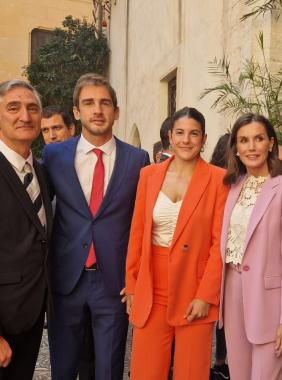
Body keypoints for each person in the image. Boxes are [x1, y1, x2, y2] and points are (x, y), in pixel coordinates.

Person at [42, 73, 150, 380]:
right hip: (66, 280)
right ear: (76, 112)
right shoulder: (54, 156)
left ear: (116, 111)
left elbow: (141, 222)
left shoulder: (137, 159)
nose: (97, 110)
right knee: (63, 368)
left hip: (113, 283)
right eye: (89, 103)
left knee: (108, 368)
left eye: (105, 103)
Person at [124, 106, 228, 380]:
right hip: (152, 286)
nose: (186, 140)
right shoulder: (149, 175)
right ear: (170, 136)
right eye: (180, 133)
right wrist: (132, 285)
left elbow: (219, 243)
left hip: (194, 287)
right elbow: (137, 232)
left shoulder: (218, 179)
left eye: (194, 134)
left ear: (204, 139)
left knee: (191, 372)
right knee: (145, 371)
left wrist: (206, 295)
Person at [218, 113, 282, 380]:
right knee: (238, 374)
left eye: (258, 139)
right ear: (236, 149)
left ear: (270, 144)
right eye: (244, 140)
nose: (251, 147)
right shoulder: (232, 186)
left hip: (269, 301)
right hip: (232, 289)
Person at [0, 80, 52, 380]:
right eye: (14, 108)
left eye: (33, 108)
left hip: (31, 316)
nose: (25, 116)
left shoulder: (40, 171)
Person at [41, 104, 95, 380]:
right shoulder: (42, 169)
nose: (51, 136)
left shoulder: (93, 162)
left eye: (57, 128)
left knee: (93, 355)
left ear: (72, 129)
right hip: (62, 275)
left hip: (98, 273)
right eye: (45, 131)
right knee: (63, 355)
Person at [209, 132, 231, 380]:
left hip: (218, 254)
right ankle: (221, 360)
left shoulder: (214, 176)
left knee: (220, 316)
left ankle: (219, 360)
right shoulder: (224, 180)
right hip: (223, 255)